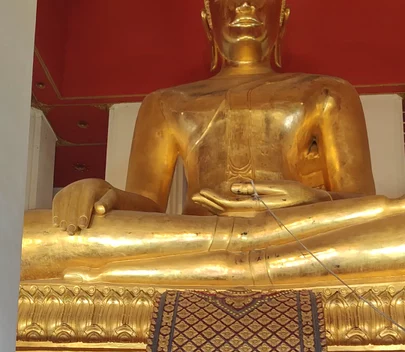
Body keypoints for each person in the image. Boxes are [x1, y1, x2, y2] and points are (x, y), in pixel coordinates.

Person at [22, 0, 405, 289]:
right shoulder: (166, 103)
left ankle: (197, 268)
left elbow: (361, 202)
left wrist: (311, 199)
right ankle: (255, 264)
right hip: (198, 234)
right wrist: (101, 191)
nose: (245, 7)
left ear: (283, 15)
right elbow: (147, 205)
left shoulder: (327, 92)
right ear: (208, 17)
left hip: (299, 230)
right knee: (29, 236)